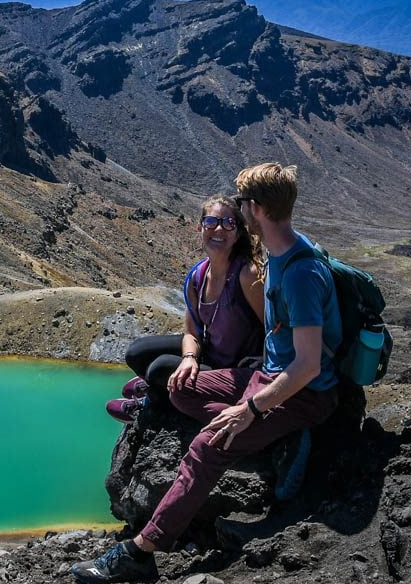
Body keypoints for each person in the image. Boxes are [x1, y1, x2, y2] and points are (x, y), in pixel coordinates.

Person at [72, 163, 342, 583]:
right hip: (267, 380)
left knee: (206, 447)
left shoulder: (300, 273)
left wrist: (249, 409)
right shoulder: (278, 255)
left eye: (240, 208)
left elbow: (307, 365)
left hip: (302, 393)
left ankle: (140, 554)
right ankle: (275, 439)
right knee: (181, 392)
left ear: (254, 211)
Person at [106, 195, 265, 423]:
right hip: (210, 353)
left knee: (159, 369)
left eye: (228, 223)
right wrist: (189, 358)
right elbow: (192, 332)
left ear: (239, 232)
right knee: (136, 352)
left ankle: (151, 402)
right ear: (200, 227)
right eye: (211, 222)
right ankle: (159, 385)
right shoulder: (198, 275)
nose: (218, 229)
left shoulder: (246, 274)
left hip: (237, 369)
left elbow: (273, 328)